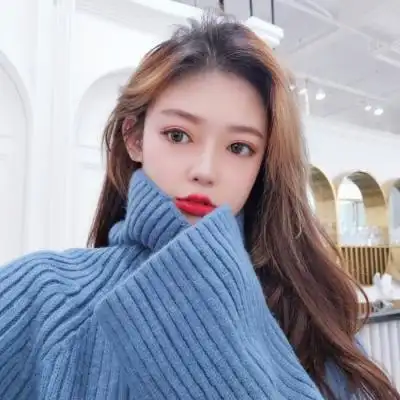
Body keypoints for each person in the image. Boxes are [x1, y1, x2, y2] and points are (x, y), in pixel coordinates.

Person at [0, 12, 399, 400]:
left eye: (239, 147)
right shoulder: (40, 296)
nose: (205, 171)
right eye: (178, 135)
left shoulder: (308, 314)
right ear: (134, 138)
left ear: (263, 164)